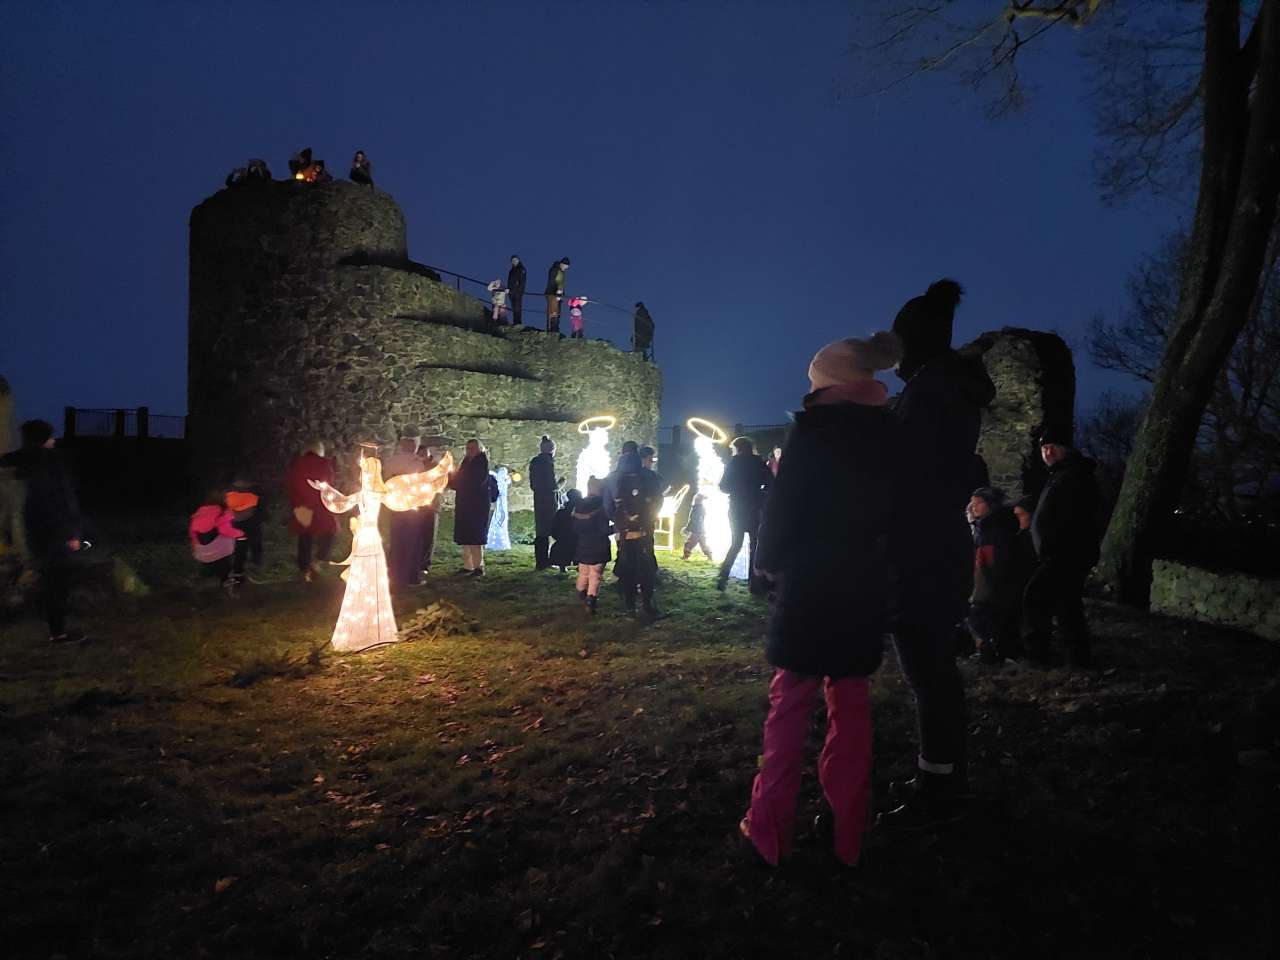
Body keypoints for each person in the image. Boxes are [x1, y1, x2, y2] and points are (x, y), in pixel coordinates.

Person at [740, 332, 902, 868]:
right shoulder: (889, 433)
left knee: (788, 709)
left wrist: (766, 564)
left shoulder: (812, 432)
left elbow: (782, 512)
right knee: (851, 710)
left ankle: (770, 832)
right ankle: (849, 835)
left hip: (811, 584)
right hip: (862, 582)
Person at [881, 278, 996, 832]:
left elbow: (907, 472)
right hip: (932, 544)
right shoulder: (948, 386)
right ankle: (941, 775)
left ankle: (941, 784)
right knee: (932, 672)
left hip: (921, 549)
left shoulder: (932, 392)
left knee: (928, 673)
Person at [0, 420, 87, 642]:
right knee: (59, 582)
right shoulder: (52, 462)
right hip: (56, 531)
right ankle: (58, 631)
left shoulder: (21, 461)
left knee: (51, 579)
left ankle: (55, 627)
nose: (54, 440)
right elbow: (65, 499)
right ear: (43, 439)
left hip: (35, 530)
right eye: (50, 437)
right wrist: (73, 533)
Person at [1023, 428, 1101, 667]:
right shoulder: (1059, 475)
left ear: (1066, 448)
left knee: (1034, 597)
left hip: (1065, 554)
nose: (1047, 452)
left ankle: (1038, 656)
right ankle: (1076, 660)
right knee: (1065, 605)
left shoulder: (1074, 475)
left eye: (1052, 446)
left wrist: (1054, 544)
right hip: (1058, 553)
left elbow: (1074, 516)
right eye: (1044, 448)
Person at [964, 486, 1018, 665]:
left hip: (993, 581)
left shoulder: (997, 528)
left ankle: (994, 651)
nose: (973, 506)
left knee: (984, 614)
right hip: (983, 579)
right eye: (972, 503)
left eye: (979, 502)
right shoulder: (981, 527)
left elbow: (996, 560)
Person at [716, 437, 772, 594]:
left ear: (738, 448)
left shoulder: (734, 463)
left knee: (736, 543)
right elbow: (771, 482)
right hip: (754, 508)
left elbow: (723, 486)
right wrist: (760, 493)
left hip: (736, 508)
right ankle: (754, 584)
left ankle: (722, 578)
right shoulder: (758, 463)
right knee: (755, 545)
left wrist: (736, 490)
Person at [614, 445, 663, 619]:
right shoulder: (649, 478)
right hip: (643, 531)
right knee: (646, 568)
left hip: (626, 533)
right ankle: (647, 604)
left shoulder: (618, 478)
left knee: (628, 568)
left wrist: (620, 526)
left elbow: (613, 504)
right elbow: (657, 500)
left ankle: (630, 607)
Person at [286, 440, 338, 582]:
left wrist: (295, 503)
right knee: (330, 531)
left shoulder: (296, 463)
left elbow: (290, 484)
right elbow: (329, 481)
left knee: (305, 536)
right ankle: (318, 560)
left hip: (302, 504)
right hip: (319, 504)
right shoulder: (324, 463)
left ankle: (304, 569)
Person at [384, 435, 428, 587]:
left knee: (397, 541)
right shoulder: (416, 463)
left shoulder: (391, 461)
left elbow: (386, 480)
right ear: (411, 446)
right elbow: (422, 483)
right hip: (411, 508)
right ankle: (409, 576)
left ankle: (394, 574)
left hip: (396, 507)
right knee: (412, 542)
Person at [189, 489, 246, 592]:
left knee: (209, 564)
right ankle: (227, 581)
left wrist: (195, 549)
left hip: (201, 551)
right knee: (226, 559)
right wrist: (241, 534)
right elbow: (225, 530)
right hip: (217, 550)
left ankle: (202, 577)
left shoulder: (201, 511)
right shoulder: (223, 512)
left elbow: (193, 533)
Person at [449, 439, 491, 576]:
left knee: (475, 536)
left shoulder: (481, 462)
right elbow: (460, 478)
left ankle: (478, 566)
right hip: (465, 504)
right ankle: (468, 565)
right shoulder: (467, 462)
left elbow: (475, 482)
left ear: (479, 449)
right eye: (468, 448)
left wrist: (458, 482)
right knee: (466, 536)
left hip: (476, 505)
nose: (470, 451)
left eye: (473, 448)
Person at [572, 478, 612, 614]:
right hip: (598, 547)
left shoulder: (579, 505)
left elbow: (574, 527)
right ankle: (591, 599)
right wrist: (617, 528)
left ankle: (580, 593)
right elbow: (604, 530)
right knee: (595, 575)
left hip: (582, 547)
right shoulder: (601, 507)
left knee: (583, 572)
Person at [529, 435, 559, 569]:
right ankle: (545, 561)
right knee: (548, 530)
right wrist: (560, 485)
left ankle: (541, 561)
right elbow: (551, 485)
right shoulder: (547, 463)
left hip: (538, 499)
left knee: (541, 531)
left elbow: (533, 484)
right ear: (552, 450)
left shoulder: (535, 462)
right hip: (548, 500)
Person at [226, 473, 264, 573]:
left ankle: (238, 568)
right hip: (251, 524)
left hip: (237, 525)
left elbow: (227, 511)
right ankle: (255, 563)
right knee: (255, 543)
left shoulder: (229, 496)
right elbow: (260, 510)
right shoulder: (253, 496)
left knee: (240, 546)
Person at [420, 445, 444, 576]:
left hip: (431, 506)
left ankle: (425, 563)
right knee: (418, 535)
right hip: (417, 506)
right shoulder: (416, 466)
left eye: (424, 453)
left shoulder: (435, 467)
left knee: (429, 535)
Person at [549, 488, 581, 572]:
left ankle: (562, 566)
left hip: (564, 538)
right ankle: (579, 565)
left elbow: (554, 527)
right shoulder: (581, 511)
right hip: (574, 538)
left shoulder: (561, 512)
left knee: (563, 546)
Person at [486, 466, 512, 550]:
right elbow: (490, 472)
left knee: (502, 515)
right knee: (499, 515)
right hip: (499, 498)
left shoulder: (505, 479)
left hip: (503, 499)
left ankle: (500, 541)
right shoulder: (497, 477)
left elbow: (509, 480)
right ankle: (494, 541)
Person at [681, 492, 713, 560]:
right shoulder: (701, 508)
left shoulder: (697, 509)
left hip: (696, 530)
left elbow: (693, 520)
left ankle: (685, 557)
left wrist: (687, 529)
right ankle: (710, 556)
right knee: (703, 544)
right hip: (701, 530)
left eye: (695, 499)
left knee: (689, 544)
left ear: (697, 500)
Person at [544, 257, 570, 334]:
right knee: (553, 312)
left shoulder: (561, 271)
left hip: (557, 295)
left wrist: (561, 294)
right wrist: (557, 293)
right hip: (553, 295)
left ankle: (555, 329)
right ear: (562, 264)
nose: (566, 268)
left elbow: (561, 284)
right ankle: (553, 330)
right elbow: (555, 282)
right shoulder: (555, 270)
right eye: (566, 266)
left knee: (556, 312)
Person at [507, 255, 527, 326]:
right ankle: (515, 322)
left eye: (516, 260)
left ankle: (518, 323)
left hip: (517, 292)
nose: (514, 261)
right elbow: (509, 282)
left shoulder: (521, 269)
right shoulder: (511, 271)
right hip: (511, 292)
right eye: (513, 260)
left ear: (518, 260)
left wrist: (519, 291)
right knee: (514, 308)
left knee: (517, 307)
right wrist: (508, 290)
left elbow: (522, 282)